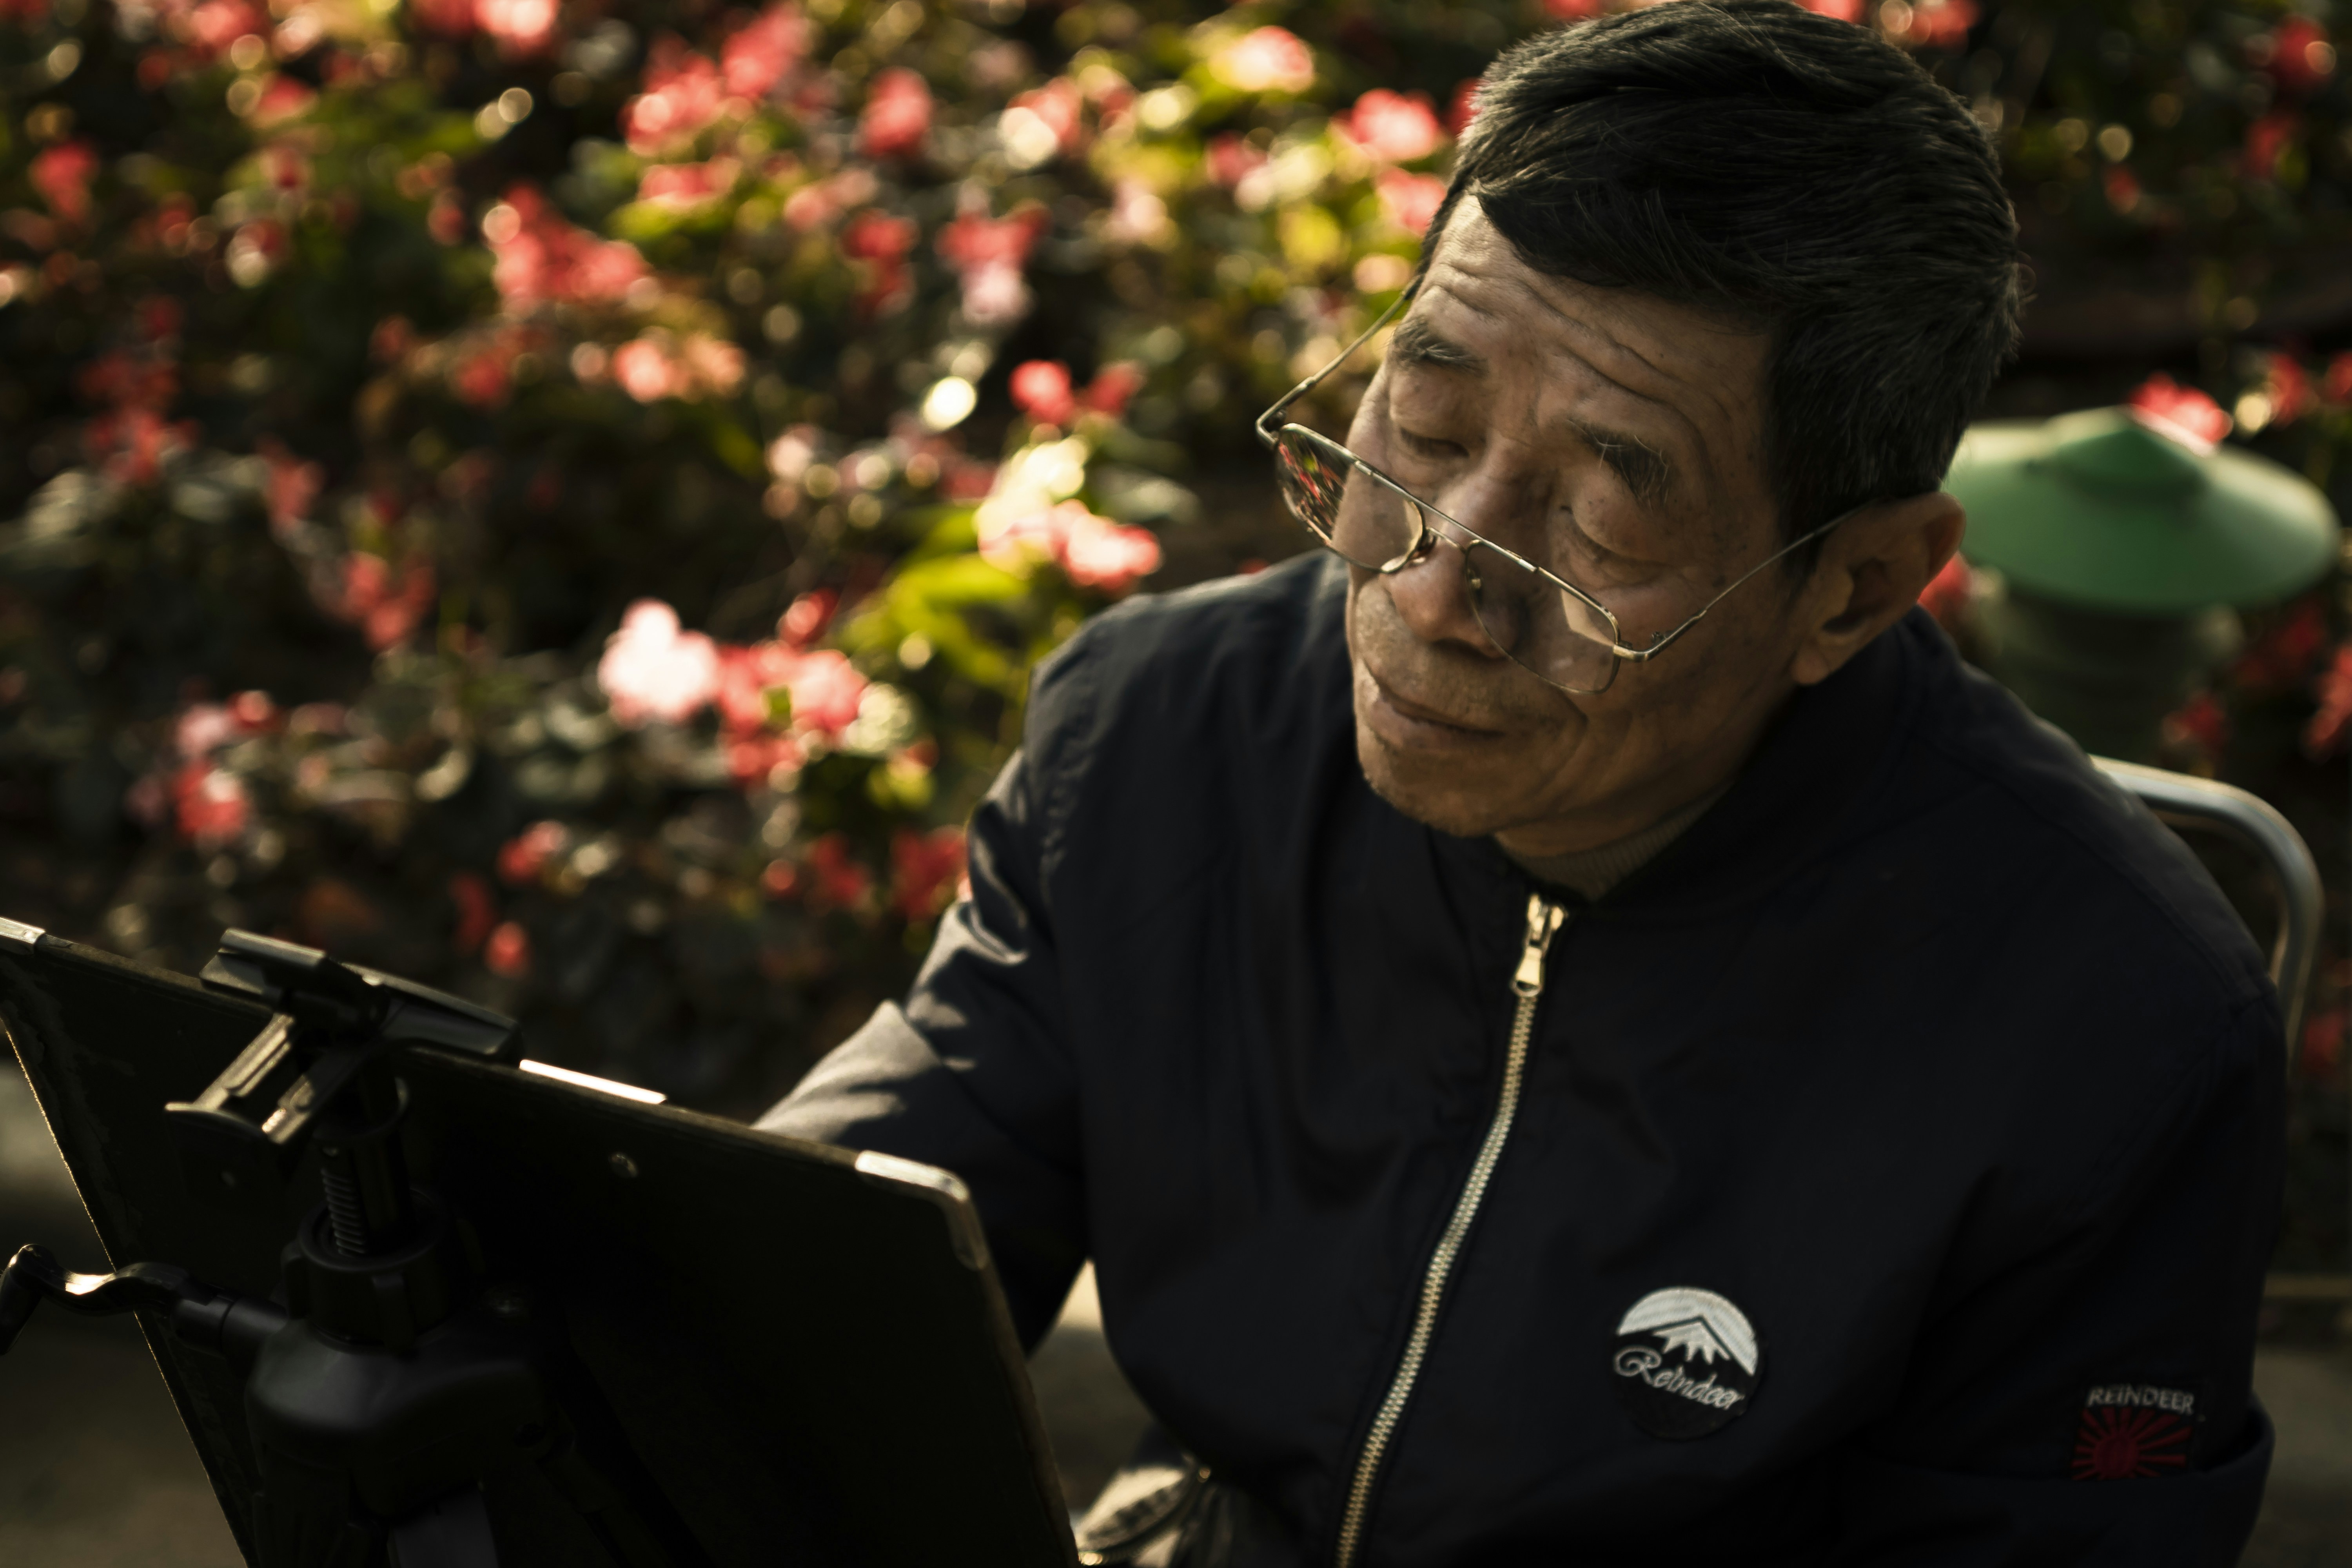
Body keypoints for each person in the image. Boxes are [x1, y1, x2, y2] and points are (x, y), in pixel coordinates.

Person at [762, 3, 2283, 1562]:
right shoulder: (1165, 737)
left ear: (1857, 585)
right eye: (1421, 420)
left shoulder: (2111, 1030)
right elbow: (831, 1264)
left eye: (1607, 523)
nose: (1432, 591)